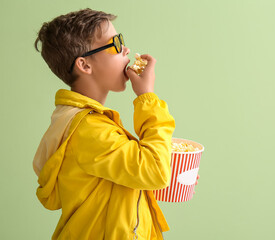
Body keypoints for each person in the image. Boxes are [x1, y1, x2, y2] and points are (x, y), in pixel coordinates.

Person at [32, 8, 177, 239]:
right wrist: (146, 97)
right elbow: (154, 170)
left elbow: (128, 177)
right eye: (116, 44)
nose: (126, 49)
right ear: (85, 65)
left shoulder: (91, 123)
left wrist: (175, 172)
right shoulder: (88, 130)